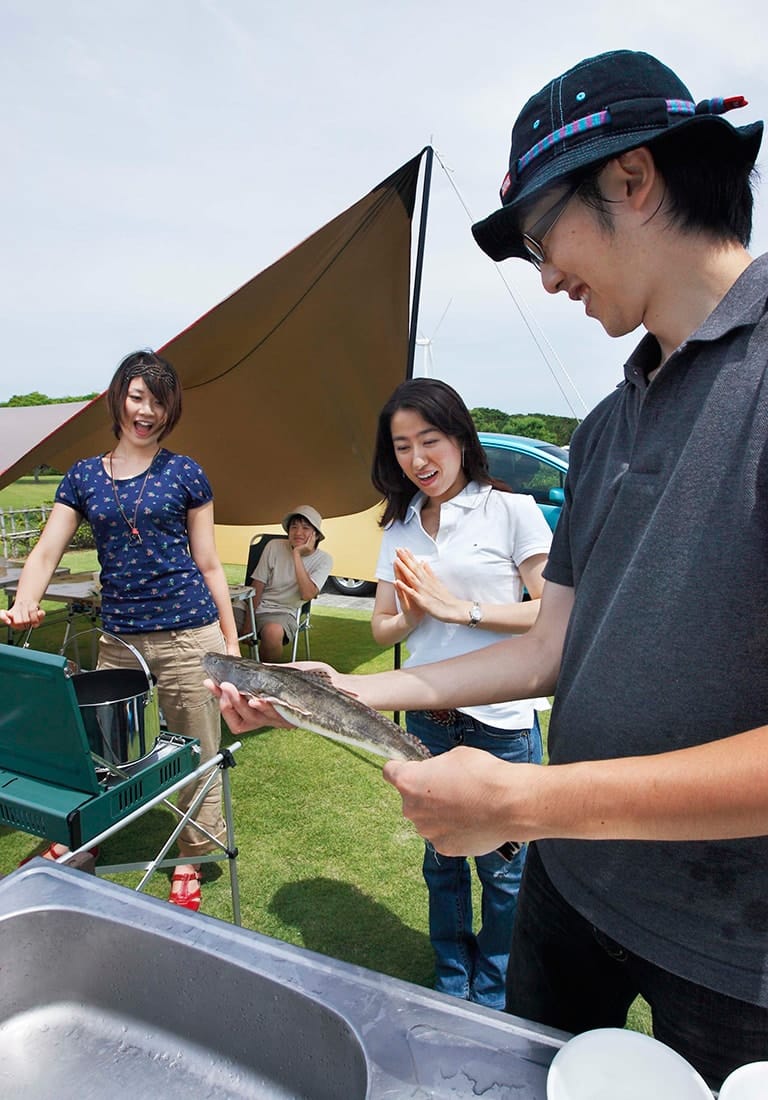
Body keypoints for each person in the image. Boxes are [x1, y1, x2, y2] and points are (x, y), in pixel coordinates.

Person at [209, 50, 768, 1088]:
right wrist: (349, 688)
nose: (547, 276)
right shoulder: (607, 426)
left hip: (741, 952)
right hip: (576, 894)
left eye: (543, 237)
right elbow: (551, 645)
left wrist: (525, 802)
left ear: (633, 181)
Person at [2, 350, 240, 912]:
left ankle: (194, 854)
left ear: (170, 409)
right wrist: (24, 602)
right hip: (121, 640)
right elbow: (44, 552)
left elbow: (208, 564)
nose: (148, 411)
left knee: (198, 749)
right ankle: (84, 834)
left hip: (189, 635)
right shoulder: (83, 476)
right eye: (138, 398)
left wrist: (230, 643)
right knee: (103, 753)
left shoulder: (185, 472)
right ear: (118, 398)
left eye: (159, 402)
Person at [370, 377, 551, 1009]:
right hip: (427, 718)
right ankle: (452, 979)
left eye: (430, 440)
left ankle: (498, 989)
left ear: (460, 439)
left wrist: (461, 609)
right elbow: (382, 624)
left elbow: (547, 614)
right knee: (441, 861)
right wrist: (418, 616)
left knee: (505, 871)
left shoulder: (510, 510)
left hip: (501, 720)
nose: (417, 459)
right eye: (401, 446)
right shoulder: (397, 527)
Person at [246, 505, 332, 662]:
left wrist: (297, 554)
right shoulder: (274, 546)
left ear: (316, 535)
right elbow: (258, 584)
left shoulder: (324, 560)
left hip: (284, 612)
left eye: (305, 528)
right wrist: (248, 621)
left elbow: (307, 594)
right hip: (254, 605)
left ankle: (265, 681)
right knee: (215, 620)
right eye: (294, 527)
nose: (298, 532)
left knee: (273, 633)